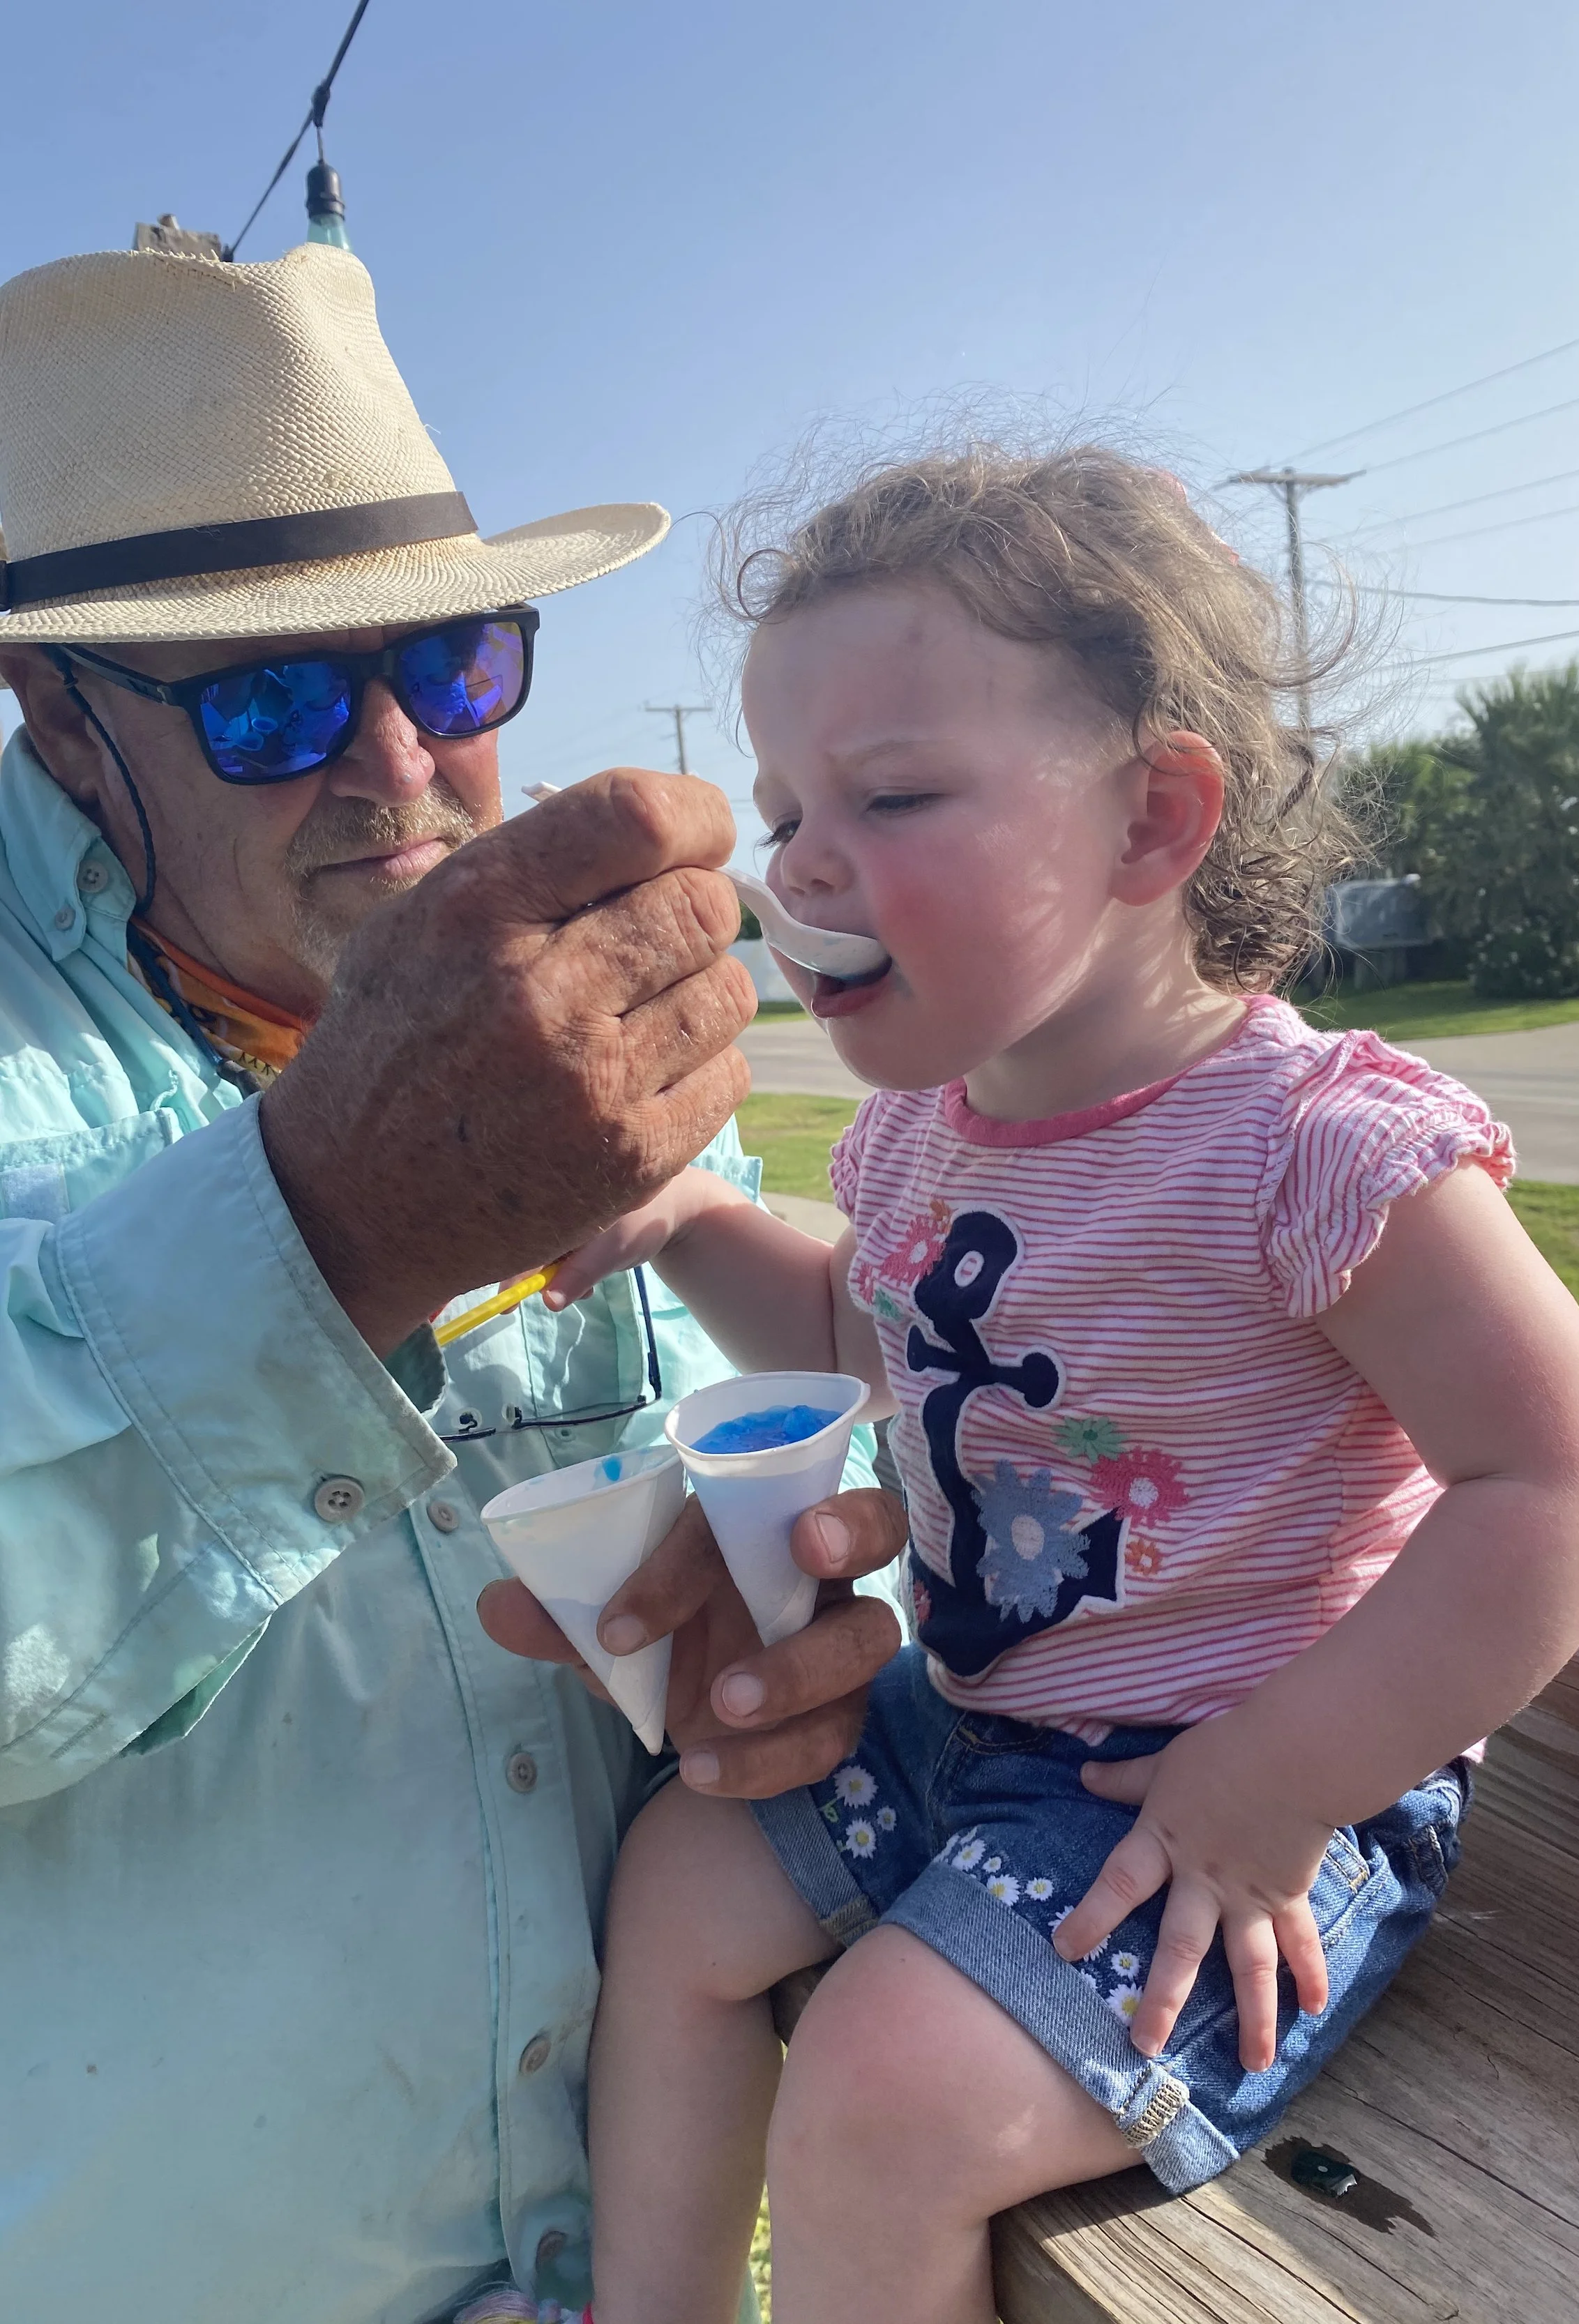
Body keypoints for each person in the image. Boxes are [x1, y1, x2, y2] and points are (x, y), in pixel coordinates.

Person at [545, 446, 1579, 2324]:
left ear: (1151, 822)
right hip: (978, 1731)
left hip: (1224, 1793)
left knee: (887, 2092)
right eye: (785, 803)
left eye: (884, 795)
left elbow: (1561, 1485)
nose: (798, 862)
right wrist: (680, 1219)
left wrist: (1283, 1778)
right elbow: (859, 1335)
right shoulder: (916, 1136)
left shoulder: (1310, 1146)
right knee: (676, 1883)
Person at [0, 241, 902, 2324]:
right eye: (273, 698)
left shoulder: (578, 1011)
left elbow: (773, 1459)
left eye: (457, 664)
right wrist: (336, 1220)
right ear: (56, 718)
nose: (401, 763)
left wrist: (791, 1628)